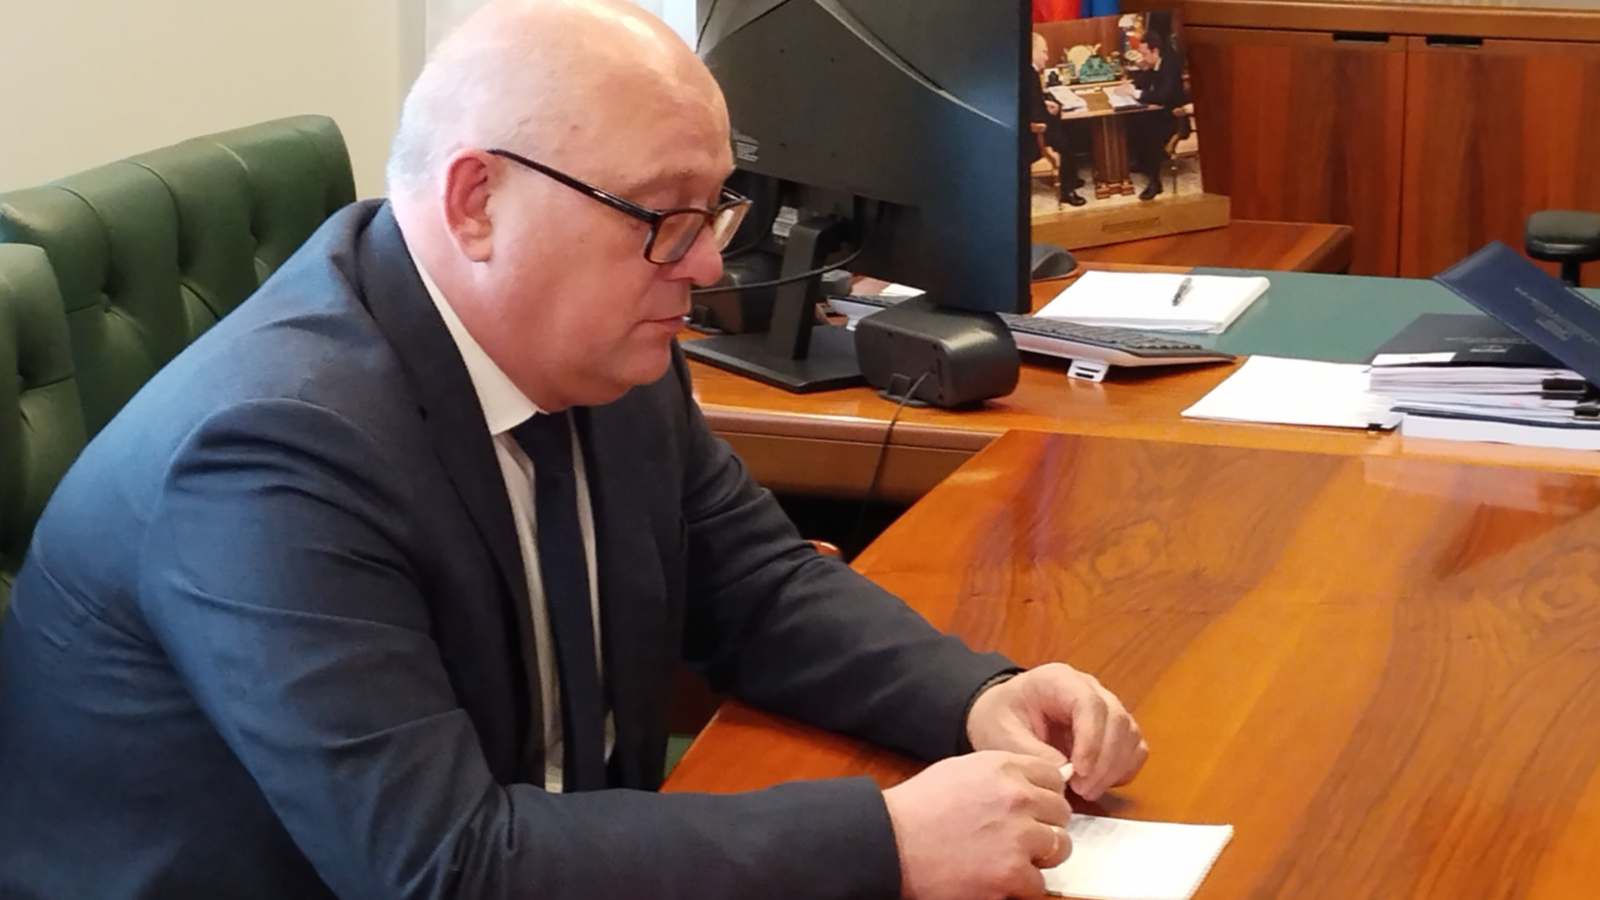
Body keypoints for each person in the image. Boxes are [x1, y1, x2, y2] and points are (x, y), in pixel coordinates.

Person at [0, 1, 1147, 898]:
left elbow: (751, 584)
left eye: (714, 209)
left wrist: (972, 695)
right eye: (662, 215)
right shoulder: (273, 455)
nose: (703, 263)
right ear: (475, 203)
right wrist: (883, 839)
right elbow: (441, 865)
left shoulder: (594, 344)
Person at [1121, 31, 1190, 201]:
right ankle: (1142, 162)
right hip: (1158, 113)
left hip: (1174, 117)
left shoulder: (1169, 67)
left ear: (1155, 51)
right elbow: (1144, 84)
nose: (1142, 57)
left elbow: (1162, 96)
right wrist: (1137, 78)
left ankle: (1155, 182)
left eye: (1144, 54)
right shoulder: (1153, 63)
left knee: (1149, 132)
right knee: (1131, 121)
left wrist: (1136, 93)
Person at [1028, 32, 1093, 207]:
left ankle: (1071, 178)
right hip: (1034, 134)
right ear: (1031, 51)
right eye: (1044, 52)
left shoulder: (1030, 72)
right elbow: (1032, 111)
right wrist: (1049, 115)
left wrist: (1046, 104)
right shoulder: (1029, 74)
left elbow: (1033, 102)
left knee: (1072, 129)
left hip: (1039, 121)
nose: (1047, 57)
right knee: (1064, 142)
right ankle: (1067, 191)